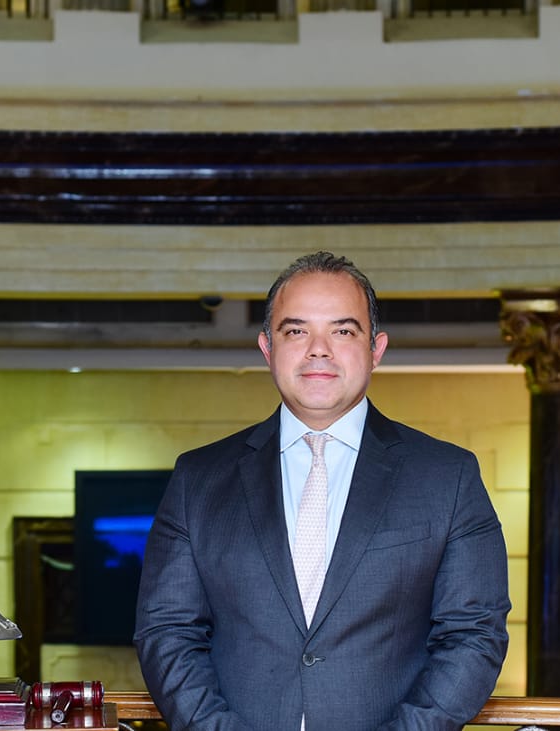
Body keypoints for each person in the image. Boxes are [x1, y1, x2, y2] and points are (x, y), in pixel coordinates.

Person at [134, 251, 510, 731]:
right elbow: (167, 631)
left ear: (376, 349)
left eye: (343, 331)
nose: (318, 349)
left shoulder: (448, 477)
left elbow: (473, 636)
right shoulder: (198, 479)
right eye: (296, 331)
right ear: (267, 347)